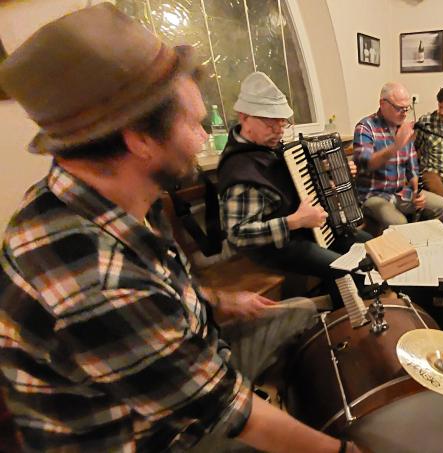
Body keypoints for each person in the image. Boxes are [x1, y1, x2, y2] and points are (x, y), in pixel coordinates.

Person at [0, 5, 363, 452]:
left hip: (187, 361)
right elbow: (225, 406)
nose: (203, 138)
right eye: (195, 124)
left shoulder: (118, 198)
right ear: (139, 139)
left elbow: (160, 289)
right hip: (154, 435)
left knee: (305, 314)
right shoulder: (96, 280)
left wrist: (217, 300)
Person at [217, 71, 370, 307]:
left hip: (304, 229)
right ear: (244, 117)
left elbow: (296, 182)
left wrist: (332, 171)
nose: (279, 130)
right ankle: (345, 326)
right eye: (270, 123)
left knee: (367, 245)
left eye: (282, 122)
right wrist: (294, 222)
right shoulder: (239, 169)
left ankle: (352, 309)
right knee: (344, 270)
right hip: (274, 245)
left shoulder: (271, 148)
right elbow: (237, 234)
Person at [353, 81, 443, 231]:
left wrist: (417, 192)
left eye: (407, 108)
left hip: (400, 193)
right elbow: (365, 164)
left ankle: (423, 247)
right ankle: (402, 250)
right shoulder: (366, 127)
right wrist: (396, 145)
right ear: (383, 103)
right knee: (399, 223)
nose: (404, 113)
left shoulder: (403, 127)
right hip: (373, 195)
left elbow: (412, 167)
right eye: (399, 108)